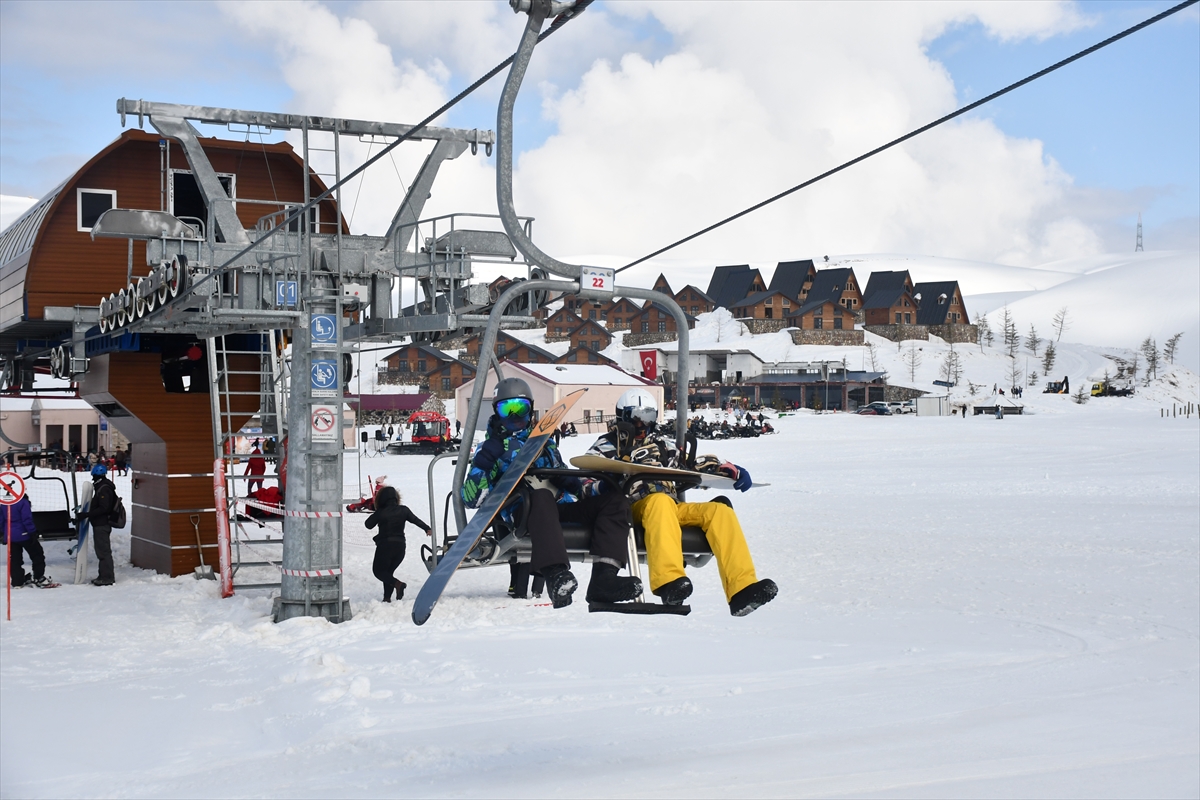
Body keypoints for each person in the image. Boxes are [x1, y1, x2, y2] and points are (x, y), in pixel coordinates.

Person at [584, 389, 777, 617]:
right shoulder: (606, 446)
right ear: (622, 417)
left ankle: (742, 589)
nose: (641, 425)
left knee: (719, 511)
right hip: (631, 509)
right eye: (635, 417)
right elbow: (585, 485)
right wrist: (605, 484)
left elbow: (690, 466)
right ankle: (669, 582)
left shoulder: (663, 446)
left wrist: (726, 468)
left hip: (670, 506)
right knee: (659, 502)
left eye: (647, 417)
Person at [461, 378, 640, 608]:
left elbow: (574, 483)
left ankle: (603, 581)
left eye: (521, 407)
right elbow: (472, 499)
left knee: (615, 502)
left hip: (559, 507)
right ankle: (555, 575)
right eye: (507, 409)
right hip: (523, 513)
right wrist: (484, 463)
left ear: (531, 408)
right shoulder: (491, 448)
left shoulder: (544, 443)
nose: (515, 415)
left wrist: (595, 486)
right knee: (541, 497)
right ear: (497, 412)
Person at [365, 486, 430, 603]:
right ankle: (387, 598)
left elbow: (368, 524)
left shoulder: (381, 512)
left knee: (379, 571)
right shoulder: (404, 510)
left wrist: (377, 513)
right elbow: (416, 520)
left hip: (385, 547)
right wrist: (427, 529)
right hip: (400, 547)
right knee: (388, 572)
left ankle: (398, 584)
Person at [5, 494, 51, 587]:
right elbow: (27, 519)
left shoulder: (5, 503)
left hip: (11, 535)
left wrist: (5, 534)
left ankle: (17, 581)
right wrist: (32, 532)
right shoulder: (23, 502)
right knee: (37, 554)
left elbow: (2, 520)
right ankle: (39, 577)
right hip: (24, 534)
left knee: (15, 559)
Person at [87, 464, 118, 586]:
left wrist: (87, 514)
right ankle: (103, 575)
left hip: (102, 523)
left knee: (103, 551)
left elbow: (104, 508)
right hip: (99, 523)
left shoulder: (104, 488)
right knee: (101, 551)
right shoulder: (102, 486)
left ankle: (107, 577)